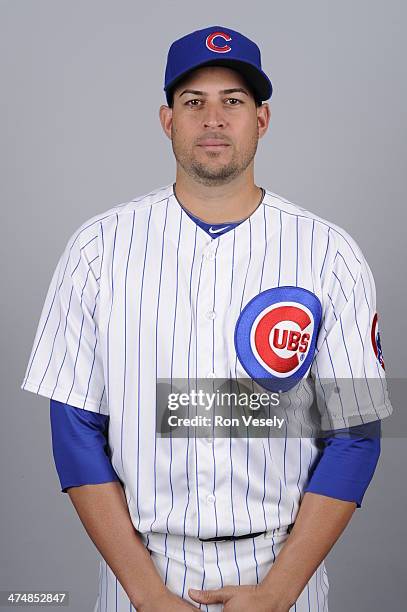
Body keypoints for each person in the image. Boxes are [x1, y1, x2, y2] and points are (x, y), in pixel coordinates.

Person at [21, 25, 393, 611]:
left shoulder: (328, 252)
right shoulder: (98, 248)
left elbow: (356, 433)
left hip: (280, 565)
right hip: (141, 568)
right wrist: (145, 593)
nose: (213, 120)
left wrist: (278, 591)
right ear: (168, 121)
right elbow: (74, 432)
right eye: (194, 103)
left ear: (262, 119)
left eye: (233, 102)